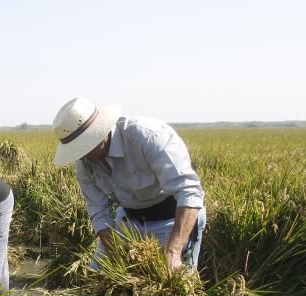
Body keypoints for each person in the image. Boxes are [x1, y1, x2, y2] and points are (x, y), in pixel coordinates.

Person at [51, 97, 206, 271]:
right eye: (80, 148)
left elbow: (189, 192)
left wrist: (174, 251)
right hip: (129, 219)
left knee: (172, 284)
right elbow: (98, 211)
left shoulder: (148, 136)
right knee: (98, 275)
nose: (85, 152)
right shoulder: (84, 162)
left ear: (100, 130)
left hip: (171, 219)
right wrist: (117, 255)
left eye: (87, 144)